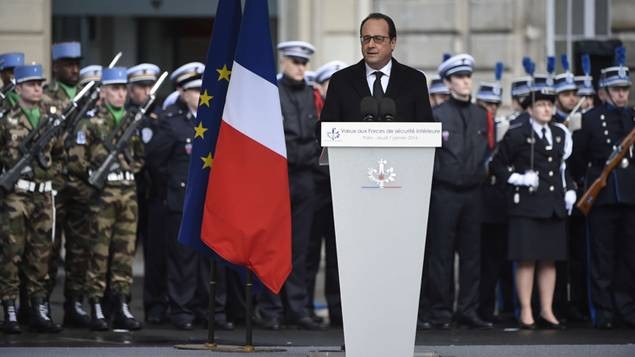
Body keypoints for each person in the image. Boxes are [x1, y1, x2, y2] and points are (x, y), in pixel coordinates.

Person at [491, 84, 575, 330]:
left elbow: (562, 168)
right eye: (541, 105)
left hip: (552, 206)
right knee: (526, 260)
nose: (546, 109)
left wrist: (569, 189)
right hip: (527, 206)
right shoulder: (517, 133)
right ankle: (526, 310)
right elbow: (497, 164)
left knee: (549, 260)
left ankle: (547, 310)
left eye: (549, 105)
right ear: (530, 109)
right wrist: (518, 178)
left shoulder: (559, 133)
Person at [419, 53, 493, 330]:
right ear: (448, 83)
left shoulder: (481, 115)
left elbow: (487, 151)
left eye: (467, 77)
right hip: (444, 193)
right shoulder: (436, 114)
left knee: (472, 255)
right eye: (460, 78)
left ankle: (468, 309)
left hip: (474, 193)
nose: (466, 82)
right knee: (441, 255)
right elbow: (430, 155)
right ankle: (440, 311)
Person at [254, 41, 324, 331]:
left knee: (301, 248)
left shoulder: (312, 95)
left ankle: (297, 308)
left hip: (304, 177)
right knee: (273, 245)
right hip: (277, 178)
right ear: (283, 62)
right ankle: (270, 309)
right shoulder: (272, 93)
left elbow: (319, 135)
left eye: (304, 63)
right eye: (295, 62)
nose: (300, 67)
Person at [72, 67, 144, 331]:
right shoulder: (90, 123)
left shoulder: (132, 121)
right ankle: (96, 305)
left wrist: (127, 167)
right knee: (99, 252)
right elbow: (77, 162)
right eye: (114, 89)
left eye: (123, 89)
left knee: (124, 253)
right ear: (103, 92)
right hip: (102, 195)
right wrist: (99, 172)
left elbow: (140, 157)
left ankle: (122, 304)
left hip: (127, 193)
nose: (120, 94)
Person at [571, 47, 635, 329]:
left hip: (631, 196)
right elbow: (577, 160)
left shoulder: (633, 118)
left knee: (629, 256)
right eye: (616, 89)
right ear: (603, 92)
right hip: (603, 196)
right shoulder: (591, 119)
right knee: (602, 258)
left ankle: (626, 308)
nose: (622, 94)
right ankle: (604, 311)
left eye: (625, 89)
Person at [0, 64, 63, 333]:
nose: (38, 88)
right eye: (31, 84)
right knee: (12, 253)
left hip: (43, 195)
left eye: (39, 83)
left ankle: (39, 307)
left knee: (41, 254)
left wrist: (54, 181)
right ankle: (10, 309)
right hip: (16, 195)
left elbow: (60, 154)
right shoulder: (7, 119)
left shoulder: (51, 117)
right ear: (18, 88)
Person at [42, 41, 94, 328]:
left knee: (80, 249)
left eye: (77, 63)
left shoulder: (90, 97)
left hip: (83, 184)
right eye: (69, 64)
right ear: (56, 67)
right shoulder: (47, 97)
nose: (75, 69)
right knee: (49, 249)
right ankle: (42, 304)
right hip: (56, 184)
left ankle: (75, 304)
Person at [320, 12, 433, 123]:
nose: (370, 45)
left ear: (393, 42)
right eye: (366, 38)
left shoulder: (414, 80)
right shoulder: (340, 80)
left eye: (378, 39)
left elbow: (427, 130)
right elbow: (325, 129)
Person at [125, 63, 169, 325]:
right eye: (142, 86)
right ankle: (116, 303)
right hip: (128, 193)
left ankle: (155, 305)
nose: (147, 91)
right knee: (121, 254)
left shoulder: (161, 119)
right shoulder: (126, 118)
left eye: (150, 86)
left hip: (152, 194)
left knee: (155, 255)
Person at [305, 60, 346, 327]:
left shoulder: (347, 111)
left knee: (338, 257)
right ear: (320, 86)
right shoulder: (311, 109)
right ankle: (304, 307)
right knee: (309, 253)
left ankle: (339, 312)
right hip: (315, 190)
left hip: (342, 191)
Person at [474, 64, 514, 323]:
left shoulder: (503, 129)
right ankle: (480, 309)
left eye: (494, 105)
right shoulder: (476, 126)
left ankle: (504, 308)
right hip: (477, 201)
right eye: (487, 105)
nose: (491, 110)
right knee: (479, 263)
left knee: (498, 261)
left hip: (498, 205)